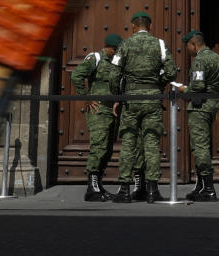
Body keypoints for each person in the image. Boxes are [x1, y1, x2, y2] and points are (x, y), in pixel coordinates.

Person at [109, 12, 177, 203]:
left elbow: (114, 74)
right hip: (153, 99)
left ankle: (124, 189)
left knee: (129, 143)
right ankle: (152, 190)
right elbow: (171, 71)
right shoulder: (160, 44)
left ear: (132, 26)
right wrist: (158, 84)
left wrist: (117, 96)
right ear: (150, 25)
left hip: (131, 99)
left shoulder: (125, 44)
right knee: (152, 144)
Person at [177, 30, 219, 202]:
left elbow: (197, 86)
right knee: (202, 144)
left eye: (188, 47)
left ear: (194, 44)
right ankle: (200, 186)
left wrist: (184, 90)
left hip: (200, 106)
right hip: (212, 104)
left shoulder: (200, 60)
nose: (188, 51)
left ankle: (209, 188)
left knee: (200, 146)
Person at [72, 33, 121, 202]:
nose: (116, 53)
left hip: (111, 111)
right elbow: (76, 75)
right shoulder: (96, 58)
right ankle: (91, 188)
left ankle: (99, 185)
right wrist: (85, 97)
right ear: (107, 47)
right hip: (98, 110)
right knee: (98, 147)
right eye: (114, 50)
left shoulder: (115, 63)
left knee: (107, 150)